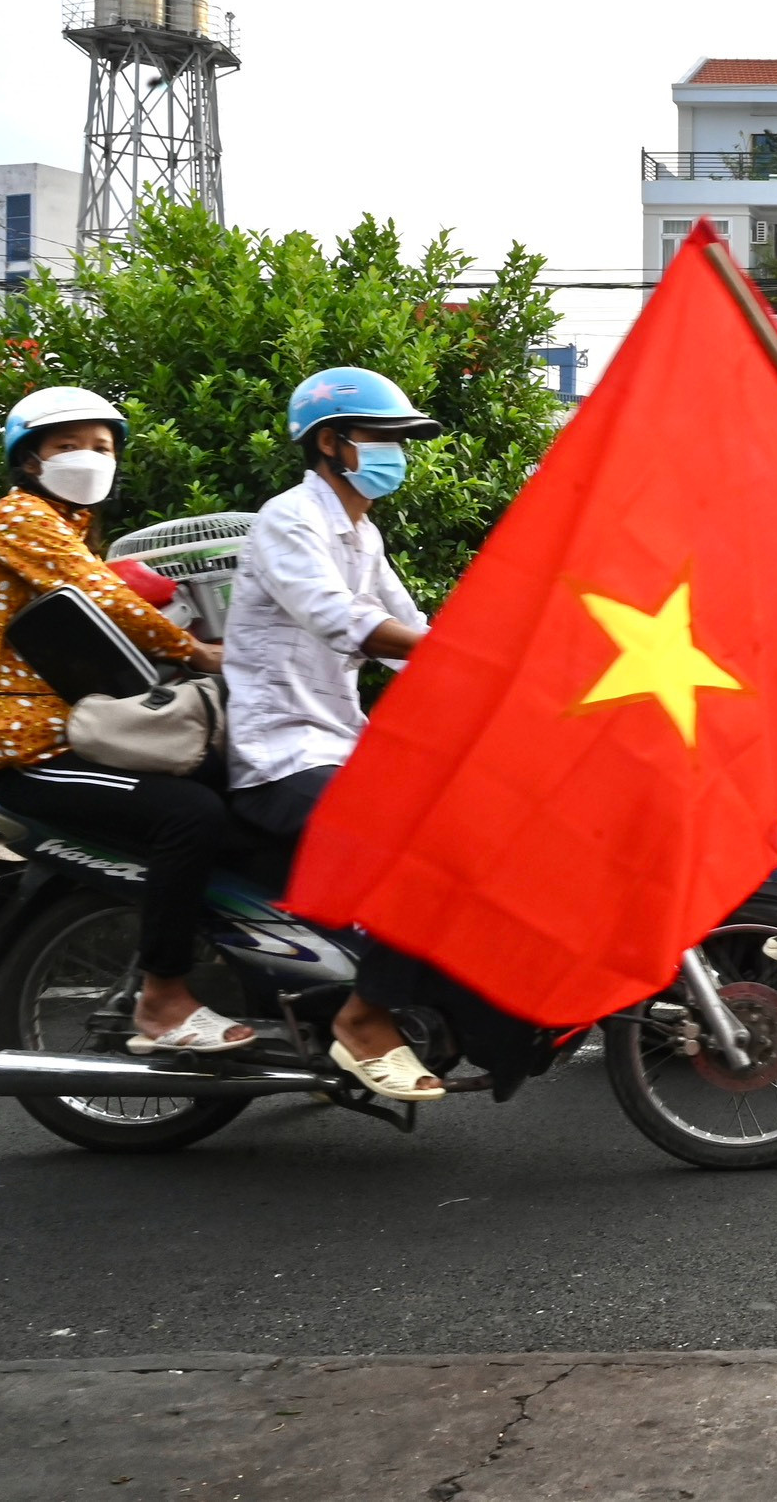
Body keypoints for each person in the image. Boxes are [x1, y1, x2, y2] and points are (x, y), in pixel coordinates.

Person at [0, 387, 243, 1053]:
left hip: (72, 734)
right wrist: (198, 651)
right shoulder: (16, 519)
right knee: (189, 815)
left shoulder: (65, 533)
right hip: (28, 754)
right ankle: (164, 1000)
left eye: (101, 447)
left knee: (240, 780)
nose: (87, 457)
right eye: (67, 445)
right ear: (29, 461)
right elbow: (105, 600)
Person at [222, 366, 443, 1100]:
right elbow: (339, 617)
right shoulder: (289, 519)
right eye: (384, 438)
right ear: (332, 443)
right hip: (281, 755)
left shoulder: (361, 532)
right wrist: (439, 652)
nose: (397, 453)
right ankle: (364, 1018)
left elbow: (410, 627)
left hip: (336, 741)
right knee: (413, 844)